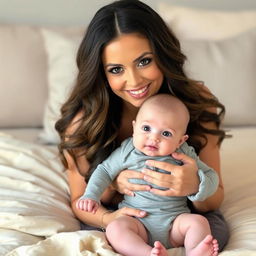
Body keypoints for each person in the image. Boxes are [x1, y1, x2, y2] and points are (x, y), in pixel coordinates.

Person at [55, 0, 229, 253]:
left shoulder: (198, 103)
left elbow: (215, 198)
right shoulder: (85, 122)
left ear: (163, 54)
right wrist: (111, 201)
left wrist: (194, 187)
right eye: (116, 69)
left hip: (182, 213)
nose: (134, 80)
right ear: (101, 74)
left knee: (211, 230)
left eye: (144, 61)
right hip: (123, 217)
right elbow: (81, 201)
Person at [77, 94, 219, 256]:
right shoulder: (127, 150)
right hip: (138, 222)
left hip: (175, 222)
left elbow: (211, 176)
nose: (154, 138)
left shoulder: (184, 153)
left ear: (180, 140)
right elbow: (104, 171)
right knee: (115, 228)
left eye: (166, 134)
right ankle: (146, 253)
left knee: (198, 222)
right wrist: (91, 195)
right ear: (134, 127)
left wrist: (196, 183)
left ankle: (195, 251)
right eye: (146, 128)